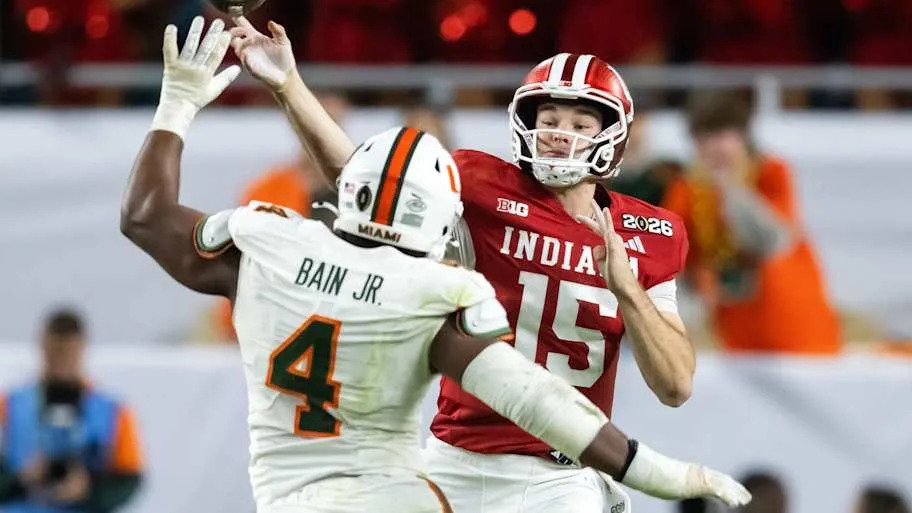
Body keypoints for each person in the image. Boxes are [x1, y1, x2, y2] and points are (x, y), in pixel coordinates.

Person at [121, 18, 750, 513]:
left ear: (611, 134)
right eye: (549, 118)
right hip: (453, 455)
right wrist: (289, 84)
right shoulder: (479, 182)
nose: (559, 133)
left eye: (579, 121)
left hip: (561, 473)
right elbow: (368, 178)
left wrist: (628, 289)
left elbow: (675, 386)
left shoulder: (649, 231)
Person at [662, 93, 841, 354]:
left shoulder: (770, 173)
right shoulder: (687, 190)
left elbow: (774, 241)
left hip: (795, 320)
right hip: (736, 330)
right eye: (705, 138)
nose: (715, 147)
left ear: (743, 138)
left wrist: (731, 189)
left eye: (723, 136)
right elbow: (669, 257)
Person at [0, 309, 143, 513]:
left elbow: (129, 479)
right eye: (55, 351)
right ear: (42, 346)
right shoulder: (8, 405)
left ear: (82, 348)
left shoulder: (114, 411)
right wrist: (20, 479)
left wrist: (88, 489)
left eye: (67, 352)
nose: (61, 360)